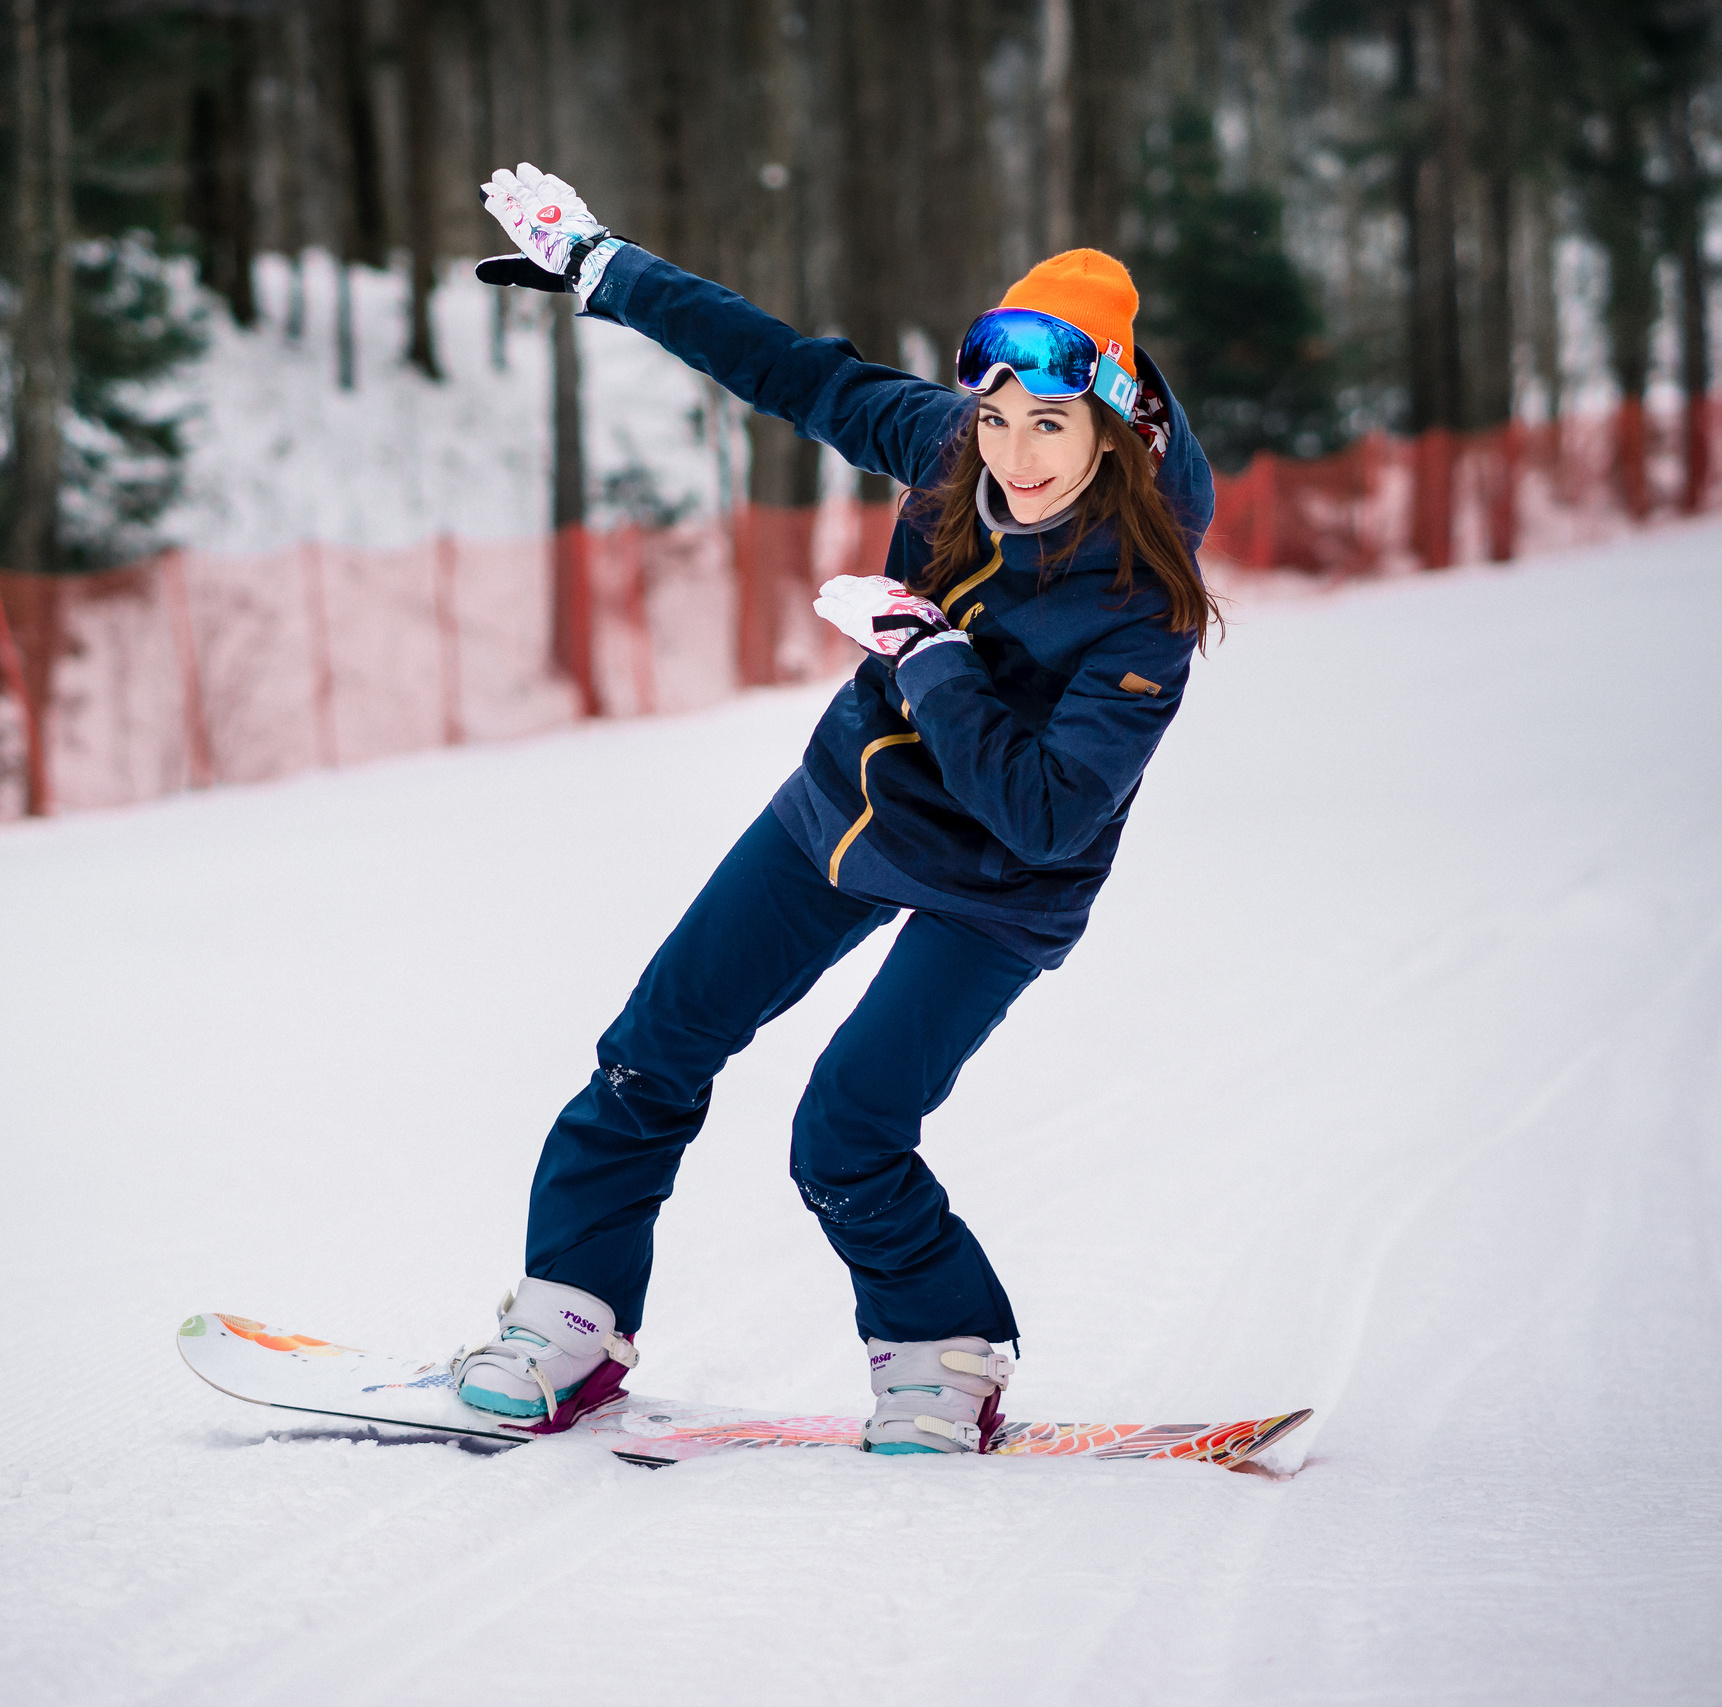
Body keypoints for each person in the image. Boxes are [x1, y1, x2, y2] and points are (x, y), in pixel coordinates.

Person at [452, 164, 1221, 1454]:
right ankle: (568, 1324)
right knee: (649, 1053)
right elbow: (786, 367)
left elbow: (1046, 816)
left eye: (1050, 426)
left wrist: (930, 656)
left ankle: (941, 1356)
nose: (1015, 455)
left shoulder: (1146, 595)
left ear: (1111, 426)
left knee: (847, 1132)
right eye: (997, 418)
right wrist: (605, 267)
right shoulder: (945, 451)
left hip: (1003, 888)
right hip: (847, 816)